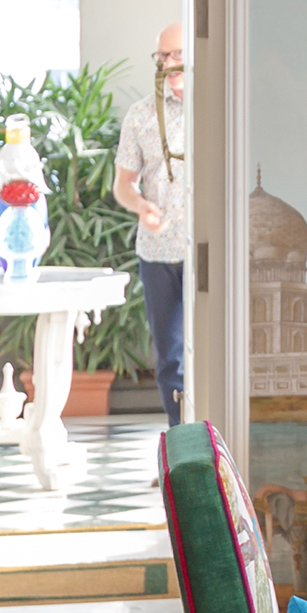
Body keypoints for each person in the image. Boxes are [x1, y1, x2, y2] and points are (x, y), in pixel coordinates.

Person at [113, 24, 190, 420]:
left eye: (176, 54)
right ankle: (182, 452)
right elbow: (122, 185)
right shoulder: (141, 115)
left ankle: (218, 450)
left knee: (212, 355)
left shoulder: (218, 108)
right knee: (170, 361)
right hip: (158, 255)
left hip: (204, 254)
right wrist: (141, 205)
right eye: (161, 56)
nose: (168, 63)